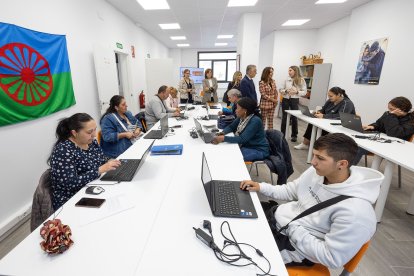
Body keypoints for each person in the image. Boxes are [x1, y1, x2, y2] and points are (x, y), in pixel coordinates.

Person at [240, 133, 383, 268]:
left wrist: (293, 228)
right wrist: (261, 187)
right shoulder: (318, 171)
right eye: (314, 155)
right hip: (278, 221)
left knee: (235, 251)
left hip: (293, 246)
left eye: (320, 158)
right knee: (230, 211)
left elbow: (331, 257)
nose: (313, 162)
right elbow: (290, 191)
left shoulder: (357, 212)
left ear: (342, 164)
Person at [49, 113, 121, 210]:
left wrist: (110, 161)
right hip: (72, 199)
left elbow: (101, 159)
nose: (94, 135)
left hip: (93, 187)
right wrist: (99, 170)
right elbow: (70, 183)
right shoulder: (63, 151)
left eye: (95, 129)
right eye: (89, 132)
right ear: (74, 133)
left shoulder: (91, 142)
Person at [353, 96, 414, 164]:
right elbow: (379, 124)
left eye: (392, 109)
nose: (389, 111)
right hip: (381, 141)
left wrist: (393, 116)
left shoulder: (411, 121)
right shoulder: (388, 114)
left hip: (395, 147)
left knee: (358, 149)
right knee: (352, 144)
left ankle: (346, 171)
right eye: (389, 109)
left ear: (402, 109)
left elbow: (394, 133)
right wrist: (372, 126)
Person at [212, 97, 269, 161]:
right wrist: (223, 132)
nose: (235, 110)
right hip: (247, 145)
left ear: (245, 110)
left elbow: (242, 139)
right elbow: (231, 127)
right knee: (227, 151)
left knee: (232, 157)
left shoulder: (255, 121)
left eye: (237, 108)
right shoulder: (242, 117)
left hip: (258, 149)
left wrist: (223, 138)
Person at [279, 66, 307, 142]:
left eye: (290, 70)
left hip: (295, 100)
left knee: (294, 117)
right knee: (284, 117)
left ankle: (294, 135)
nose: (289, 72)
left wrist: (297, 92)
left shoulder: (301, 80)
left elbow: (304, 92)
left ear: (295, 71)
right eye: (288, 70)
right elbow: (280, 89)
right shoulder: (286, 79)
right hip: (286, 99)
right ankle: (282, 135)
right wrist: (286, 91)